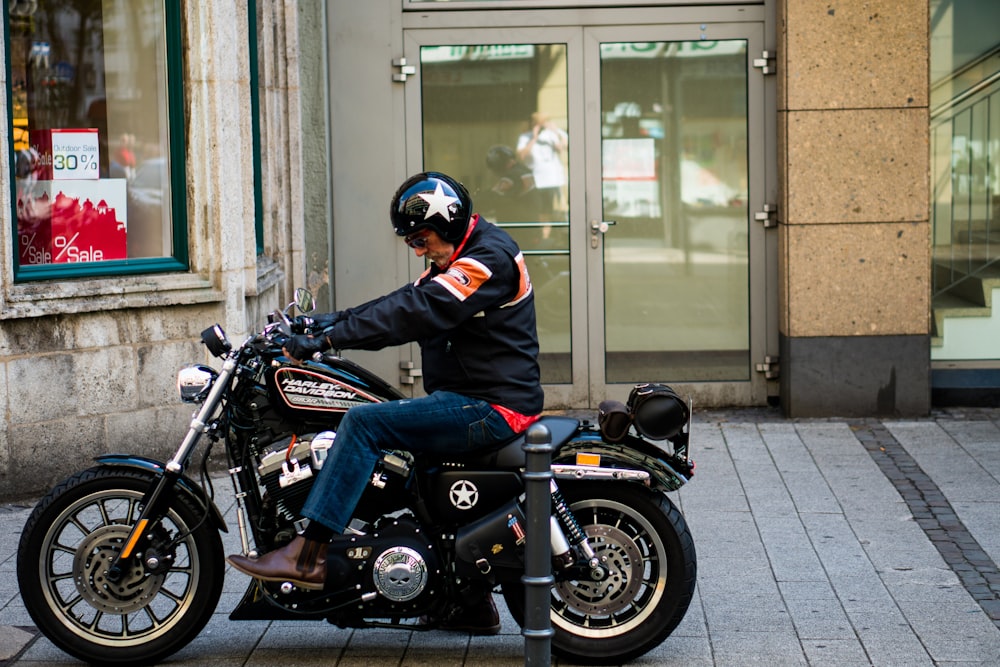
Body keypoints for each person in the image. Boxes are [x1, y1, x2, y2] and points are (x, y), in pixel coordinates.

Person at [227, 171, 544, 635]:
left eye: (421, 237)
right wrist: (320, 324)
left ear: (449, 222)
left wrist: (332, 338)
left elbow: (417, 312)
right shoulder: (461, 255)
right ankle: (467, 604)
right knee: (407, 470)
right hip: (470, 397)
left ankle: (307, 554)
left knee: (364, 423)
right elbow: (400, 301)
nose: (416, 248)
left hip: (490, 407)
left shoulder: (485, 260)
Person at [516, 111, 568, 220]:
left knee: (553, 212)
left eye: (544, 122)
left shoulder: (553, 135)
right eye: (538, 123)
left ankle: (549, 235)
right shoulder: (526, 137)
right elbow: (521, 155)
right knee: (538, 213)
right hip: (537, 181)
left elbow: (564, 147)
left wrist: (556, 132)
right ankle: (541, 235)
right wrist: (534, 138)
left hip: (553, 180)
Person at [482, 144, 541, 223]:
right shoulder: (523, 171)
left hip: (516, 226)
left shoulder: (511, 177)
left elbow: (492, 196)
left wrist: (471, 204)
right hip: (528, 224)